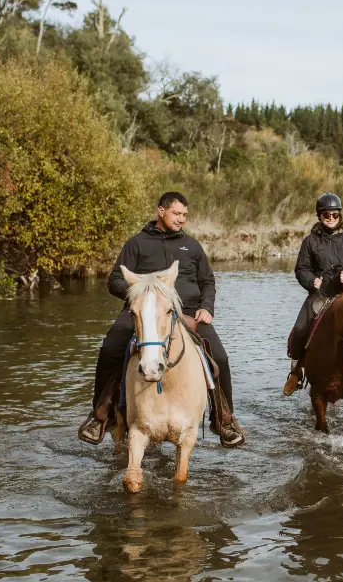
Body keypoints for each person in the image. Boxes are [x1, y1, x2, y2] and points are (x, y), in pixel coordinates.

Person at [78, 191, 245, 446]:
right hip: (144, 311)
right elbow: (114, 281)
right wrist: (143, 295)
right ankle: (102, 416)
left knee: (219, 356)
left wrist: (207, 307)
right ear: (161, 211)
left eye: (185, 215)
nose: (181, 219)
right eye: (176, 213)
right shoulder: (136, 243)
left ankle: (223, 420)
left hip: (188, 313)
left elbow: (207, 281)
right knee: (110, 348)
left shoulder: (192, 246)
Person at [282, 192, 343, 395]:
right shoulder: (310, 241)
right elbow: (301, 269)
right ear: (319, 216)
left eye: (335, 215)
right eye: (326, 215)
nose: (331, 218)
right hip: (321, 294)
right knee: (300, 328)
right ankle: (296, 371)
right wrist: (311, 281)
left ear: (340, 216)